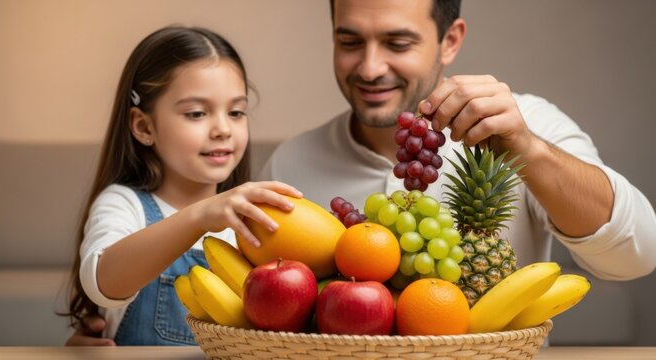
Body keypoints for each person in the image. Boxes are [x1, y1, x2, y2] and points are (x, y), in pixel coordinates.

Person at [258, 0, 656, 280]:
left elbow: (638, 254)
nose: (370, 67)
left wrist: (529, 150)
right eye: (349, 42)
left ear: (450, 41)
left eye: (398, 43)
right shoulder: (290, 162)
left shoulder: (524, 123)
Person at [62, 25, 302, 346]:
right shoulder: (124, 204)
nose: (222, 129)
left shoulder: (254, 223)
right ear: (144, 126)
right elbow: (102, 282)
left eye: (236, 112)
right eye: (197, 113)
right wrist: (199, 216)